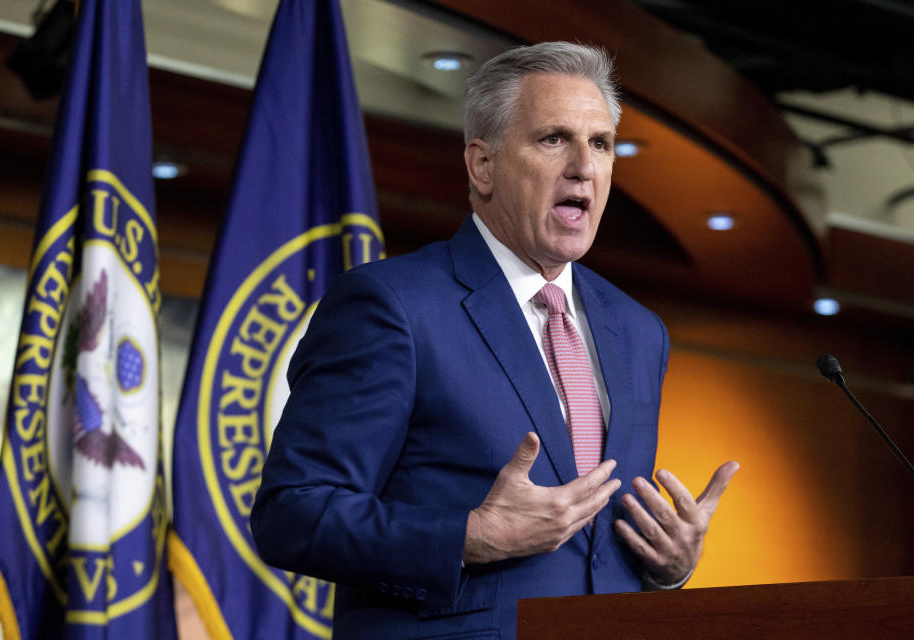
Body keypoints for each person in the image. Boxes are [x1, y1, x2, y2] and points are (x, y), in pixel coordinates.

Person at [251, 41, 738, 640]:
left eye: (601, 143)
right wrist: (469, 537)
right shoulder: (393, 305)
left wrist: (671, 565)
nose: (584, 167)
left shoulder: (638, 331)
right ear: (482, 165)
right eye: (553, 139)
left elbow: (596, 555)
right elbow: (292, 514)